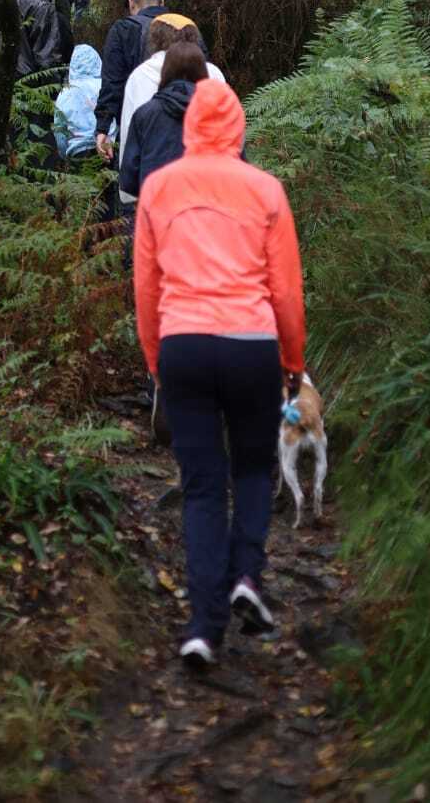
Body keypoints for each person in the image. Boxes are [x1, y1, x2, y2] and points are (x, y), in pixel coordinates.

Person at [133, 78, 306, 672]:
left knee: (203, 487)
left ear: (187, 128)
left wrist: (157, 360)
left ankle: (203, 628)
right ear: (237, 125)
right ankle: (247, 577)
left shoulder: (158, 187)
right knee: (254, 469)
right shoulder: (265, 189)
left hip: (183, 343)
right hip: (252, 344)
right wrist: (293, 361)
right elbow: (285, 289)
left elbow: (147, 288)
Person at [118, 41, 208, 201]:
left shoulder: (145, 114)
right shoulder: (216, 112)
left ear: (166, 70)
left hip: (158, 206)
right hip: (204, 205)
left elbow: (129, 177)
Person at [94, 0, 168, 163]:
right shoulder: (183, 28)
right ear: (162, 2)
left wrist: (103, 128)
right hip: (179, 122)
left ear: (131, 3)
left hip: (135, 119)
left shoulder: (123, 30)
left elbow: (112, 81)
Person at [53, 44, 103, 159]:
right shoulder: (104, 88)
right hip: (105, 148)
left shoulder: (65, 93)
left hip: (76, 150)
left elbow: (60, 128)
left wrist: (63, 154)